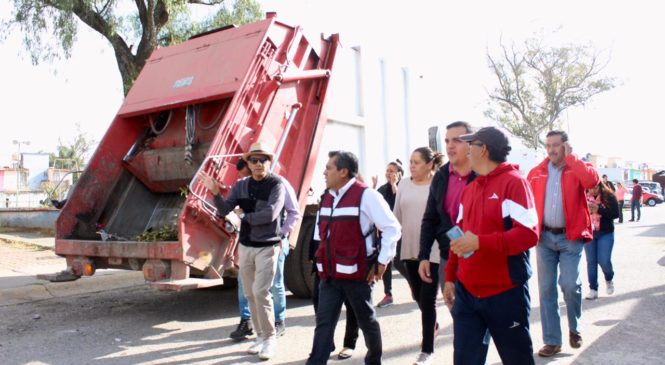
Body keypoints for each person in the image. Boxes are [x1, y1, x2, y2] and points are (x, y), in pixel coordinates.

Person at [445, 126, 539, 365]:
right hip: (467, 294)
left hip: (505, 294)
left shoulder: (515, 184)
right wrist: (449, 277)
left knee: (517, 360)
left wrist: (479, 241)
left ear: (483, 149)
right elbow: (459, 237)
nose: (466, 150)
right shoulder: (470, 190)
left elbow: (528, 235)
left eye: (470, 144)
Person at [307, 151, 401, 365]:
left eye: (329, 168)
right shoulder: (328, 197)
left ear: (343, 172)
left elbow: (392, 228)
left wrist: (381, 262)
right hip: (329, 276)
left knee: (366, 321)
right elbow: (320, 234)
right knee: (324, 324)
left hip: (358, 276)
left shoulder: (367, 196)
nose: (324, 172)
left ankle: (374, 361)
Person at [202, 141, 285, 360]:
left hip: (268, 246)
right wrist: (215, 193)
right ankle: (259, 336)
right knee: (249, 294)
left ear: (269, 162)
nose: (259, 164)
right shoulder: (241, 185)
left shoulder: (277, 184)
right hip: (246, 246)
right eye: (254, 160)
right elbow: (224, 210)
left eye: (263, 160)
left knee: (261, 292)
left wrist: (243, 216)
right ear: (248, 163)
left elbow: (270, 215)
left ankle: (269, 338)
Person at [527, 130, 599, 358]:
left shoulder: (576, 167)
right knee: (546, 290)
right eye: (548, 145)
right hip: (544, 239)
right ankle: (552, 340)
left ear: (566, 146)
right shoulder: (537, 172)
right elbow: (526, 202)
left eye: (556, 145)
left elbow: (591, 181)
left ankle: (574, 329)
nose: (551, 150)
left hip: (571, 238)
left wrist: (572, 159)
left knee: (570, 285)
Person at [230, 158, 301, 340]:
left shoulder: (279, 184)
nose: (248, 178)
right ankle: (247, 321)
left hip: (272, 242)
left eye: (248, 173)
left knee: (275, 284)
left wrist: (282, 234)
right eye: (245, 174)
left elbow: (294, 212)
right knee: (245, 285)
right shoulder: (245, 185)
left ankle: (278, 321)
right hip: (249, 242)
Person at [393, 147, 443, 365]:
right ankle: (433, 325)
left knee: (427, 299)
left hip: (432, 251)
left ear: (429, 164)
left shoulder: (438, 185)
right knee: (417, 295)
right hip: (409, 249)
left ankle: (426, 350)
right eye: (410, 162)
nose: (412, 166)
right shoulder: (403, 184)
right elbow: (396, 217)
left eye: (417, 162)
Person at [418, 121, 476, 302]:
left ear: (471, 144)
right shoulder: (441, 176)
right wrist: (424, 256)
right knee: (456, 313)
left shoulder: (482, 175)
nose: (450, 146)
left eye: (457, 140)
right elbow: (430, 219)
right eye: (447, 141)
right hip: (448, 256)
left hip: (478, 258)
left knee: (479, 317)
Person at [375, 159, 404, 308]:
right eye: (387, 170)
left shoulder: (403, 187)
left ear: (399, 174)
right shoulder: (382, 189)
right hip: (385, 233)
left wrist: (394, 186)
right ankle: (388, 294)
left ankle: (414, 283)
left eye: (392, 171)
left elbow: (401, 203)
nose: (388, 173)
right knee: (385, 260)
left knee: (399, 262)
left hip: (401, 231)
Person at [584, 182, 620, 300]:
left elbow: (615, 214)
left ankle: (609, 279)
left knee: (604, 260)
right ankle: (593, 289)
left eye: (595, 187)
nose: (593, 190)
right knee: (591, 262)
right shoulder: (583, 195)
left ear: (600, 186)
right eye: (590, 187)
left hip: (605, 233)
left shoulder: (608, 196)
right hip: (590, 233)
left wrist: (599, 209)